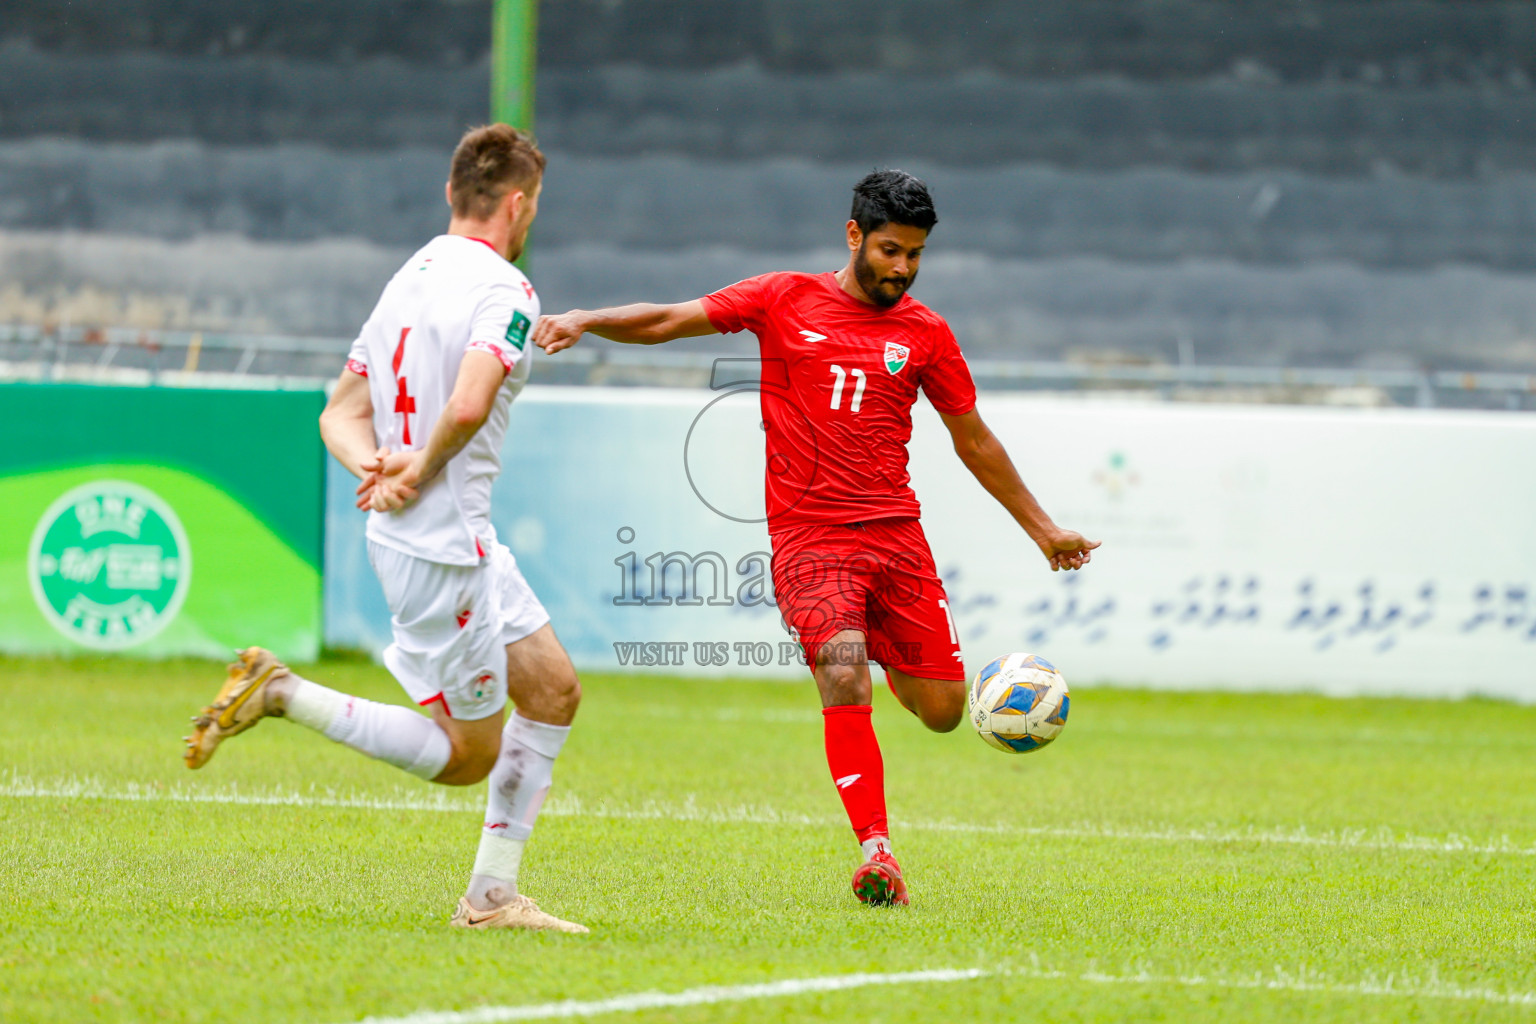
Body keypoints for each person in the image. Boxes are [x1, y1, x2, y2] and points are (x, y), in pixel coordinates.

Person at [531, 169, 1100, 907]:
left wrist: (1043, 529)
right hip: (811, 540)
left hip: (895, 536)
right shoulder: (782, 298)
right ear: (854, 235)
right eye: (891, 250)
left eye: (916, 255)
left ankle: (883, 648)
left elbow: (974, 440)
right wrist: (586, 318)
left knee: (942, 712)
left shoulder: (926, 334)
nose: (903, 268)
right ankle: (877, 853)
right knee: (841, 670)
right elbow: (671, 319)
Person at [182, 124, 587, 933]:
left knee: (554, 691)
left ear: (450, 193)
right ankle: (282, 693)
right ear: (518, 204)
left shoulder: (409, 277)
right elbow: (467, 405)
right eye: (535, 205)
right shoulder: (508, 291)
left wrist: (376, 466)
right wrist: (419, 469)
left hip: (453, 536)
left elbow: (338, 413)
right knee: (467, 755)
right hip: (440, 549)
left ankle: (492, 899)